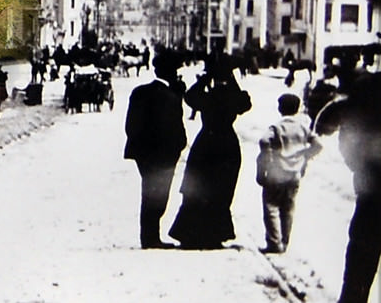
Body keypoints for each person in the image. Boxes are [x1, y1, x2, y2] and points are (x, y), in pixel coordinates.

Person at [168, 53, 252, 249]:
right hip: (228, 145)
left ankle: (190, 233)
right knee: (222, 189)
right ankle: (215, 234)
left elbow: (189, 97)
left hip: (206, 143)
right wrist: (230, 79)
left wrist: (206, 77)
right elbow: (244, 103)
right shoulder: (233, 97)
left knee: (197, 188)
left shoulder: (208, 97)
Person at [315, 69, 381, 303]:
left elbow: (346, 134)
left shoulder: (366, 87)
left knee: (362, 256)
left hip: (371, 187)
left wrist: (359, 166)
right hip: (371, 183)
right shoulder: (368, 86)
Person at [123, 50, 187, 249]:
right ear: (171, 73)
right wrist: (177, 148)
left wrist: (139, 147)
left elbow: (130, 125)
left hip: (143, 154)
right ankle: (151, 238)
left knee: (149, 191)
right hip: (164, 156)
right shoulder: (171, 97)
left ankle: (149, 236)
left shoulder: (140, 92)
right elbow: (176, 128)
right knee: (159, 195)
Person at [257, 93, 322, 254]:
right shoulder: (302, 127)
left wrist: (269, 156)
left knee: (271, 206)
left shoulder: (277, 127)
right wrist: (305, 155)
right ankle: (285, 242)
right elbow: (318, 145)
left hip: (276, 172)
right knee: (288, 208)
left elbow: (264, 141)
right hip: (294, 174)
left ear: (280, 108)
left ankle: (274, 242)